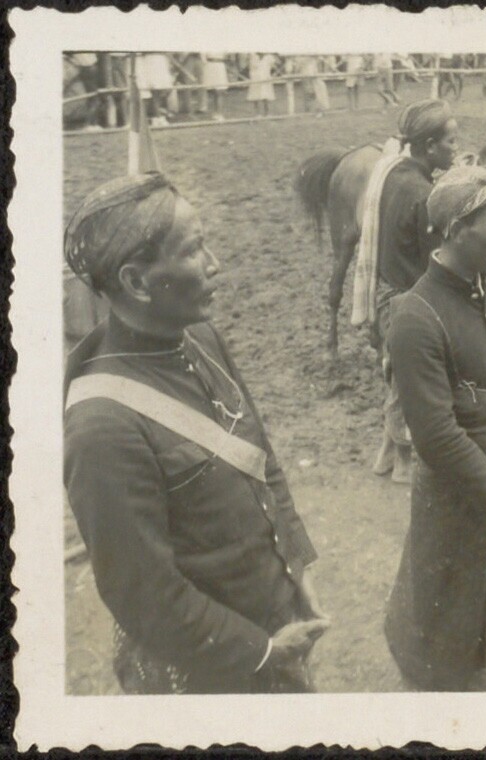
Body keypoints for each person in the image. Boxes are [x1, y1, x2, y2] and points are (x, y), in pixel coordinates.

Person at [63, 173, 330, 693]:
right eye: (192, 250)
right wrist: (263, 651)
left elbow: (261, 459)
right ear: (137, 282)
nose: (214, 264)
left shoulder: (201, 337)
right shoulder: (101, 427)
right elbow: (144, 596)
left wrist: (297, 569)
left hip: (275, 620)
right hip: (206, 669)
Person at [383, 165, 486, 691]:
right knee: (447, 604)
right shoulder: (415, 316)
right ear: (456, 230)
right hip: (456, 496)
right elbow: (435, 434)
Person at [356, 99, 459, 483]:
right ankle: (403, 462)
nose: (455, 148)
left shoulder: (392, 173)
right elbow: (431, 263)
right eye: (451, 142)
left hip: (386, 291)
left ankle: (386, 454)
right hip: (408, 297)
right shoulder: (424, 195)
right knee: (410, 384)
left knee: (398, 375)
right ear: (430, 146)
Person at [247, 53, 277, 117]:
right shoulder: (253, 56)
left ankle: (267, 113)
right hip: (255, 79)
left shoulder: (269, 57)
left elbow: (275, 67)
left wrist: (273, 75)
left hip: (266, 78)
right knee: (255, 96)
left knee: (266, 96)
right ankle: (257, 113)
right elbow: (248, 67)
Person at [202, 53, 229, 121]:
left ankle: (219, 113)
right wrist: (206, 64)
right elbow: (203, 55)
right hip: (210, 66)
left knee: (220, 91)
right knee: (213, 91)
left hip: (220, 67)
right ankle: (215, 112)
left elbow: (226, 55)